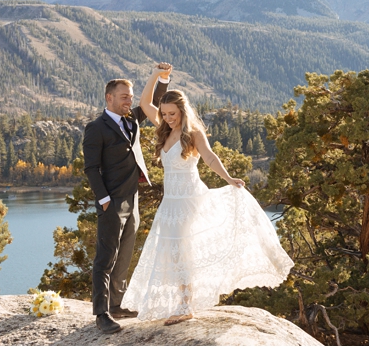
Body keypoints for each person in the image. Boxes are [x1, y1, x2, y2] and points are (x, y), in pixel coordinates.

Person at [121, 68, 293, 325]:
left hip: (190, 199)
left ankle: (185, 305)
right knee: (171, 251)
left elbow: (211, 158)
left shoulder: (194, 134)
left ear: (183, 111)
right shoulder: (166, 130)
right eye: (165, 114)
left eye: (173, 114)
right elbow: (145, 103)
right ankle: (181, 302)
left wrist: (229, 179)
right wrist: (155, 76)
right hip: (170, 203)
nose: (168, 118)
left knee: (181, 251)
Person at [83, 63, 171, 334]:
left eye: (131, 96)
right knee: (105, 257)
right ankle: (101, 314)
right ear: (109, 98)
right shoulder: (96, 128)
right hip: (112, 201)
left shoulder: (131, 119)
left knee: (125, 254)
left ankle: (118, 303)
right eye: (124, 96)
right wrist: (104, 199)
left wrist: (163, 79)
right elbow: (91, 168)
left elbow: (152, 102)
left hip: (131, 198)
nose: (129, 100)